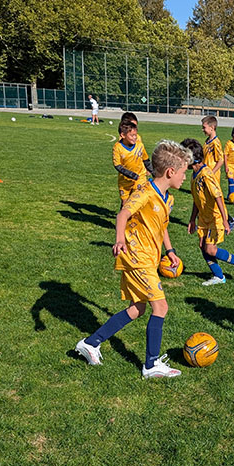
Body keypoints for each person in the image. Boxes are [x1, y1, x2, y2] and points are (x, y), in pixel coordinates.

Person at [75, 140, 190, 378]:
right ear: (170, 172)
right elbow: (123, 213)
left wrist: (170, 251)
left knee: (137, 309)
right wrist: (119, 240)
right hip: (137, 257)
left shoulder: (167, 198)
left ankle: (91, 343)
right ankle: (151, 364)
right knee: (161, 306)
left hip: (149, 258)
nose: (184, 178)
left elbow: (162, 227)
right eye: (183, 172)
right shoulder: (145, 192)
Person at [181, 138, 234, 287]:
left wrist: (225, 220)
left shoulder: (206, 174)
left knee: (210, 249)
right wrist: (192, 219)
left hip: (215, 217)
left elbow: (218, 196)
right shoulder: (194, 174)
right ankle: (219, 276)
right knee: (202, 245)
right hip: (203, 218)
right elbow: (197, 199)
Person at [202, 115, 234, 230]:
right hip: (206, 174)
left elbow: (221, 160)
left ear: (212, 127)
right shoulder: (207, 141)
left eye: (204, 127)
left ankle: (229, 220)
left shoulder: (215, 143)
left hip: (212, 177)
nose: (202, 130)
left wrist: (211, 172)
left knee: (216, 200)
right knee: (207, 199)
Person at [113, 119, 150, 206]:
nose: (135, 138)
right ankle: (123, 219)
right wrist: (130, 174)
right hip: (124, 180)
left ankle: (137, 219)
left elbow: (146, 160)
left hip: (139, 177)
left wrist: (154, 172)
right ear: (123, 135)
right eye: (132, 135)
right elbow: (117, 165)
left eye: (135, 135)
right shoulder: (117, 148)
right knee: (125, 204)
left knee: (137, 201)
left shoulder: (139, 145)